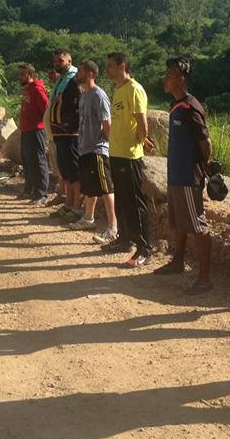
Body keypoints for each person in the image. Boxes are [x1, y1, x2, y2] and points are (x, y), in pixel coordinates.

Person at [153, 57, 213, 294]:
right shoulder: (176, 106)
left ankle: (204, 278)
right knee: (179, 222)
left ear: (181, 79)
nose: (165, 79)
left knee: (197, 224)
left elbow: (205, 143)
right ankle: (177, 262)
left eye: (169, 76)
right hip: (176, 175)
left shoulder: (190, 107)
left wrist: (203, 167)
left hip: (188, 176)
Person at [101, 52, 153, 267]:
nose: (107, 70)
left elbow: (142, 123)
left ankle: (145, 248)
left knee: (135, 203)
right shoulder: (119, 89)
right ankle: (124, 240)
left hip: (130, 156)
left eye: (110, 66)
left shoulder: (134, 89)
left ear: (122, 66)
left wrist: (141, 141)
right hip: (116, 153)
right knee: (122, 201)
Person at [70, 60, 118, 244]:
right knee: (91, 187)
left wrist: (109, 145)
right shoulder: (84, 95)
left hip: (98, 149)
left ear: (91, 73)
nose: (77, 74)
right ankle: (88, 218)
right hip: (85, 149)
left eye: (80, 71)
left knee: (106, 188)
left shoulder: (99, 95)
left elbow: (107, 123)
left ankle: (113, 227)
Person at [49, 49, 82, 221]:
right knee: (65, 171)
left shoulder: (74, 79)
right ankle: (68, 204)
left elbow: (79, 106)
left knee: (74, 171)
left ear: (69, 62)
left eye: (60, 61)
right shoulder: (61, 80)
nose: (57, 64)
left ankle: (76, 207)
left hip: (70, 133)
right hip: (59, 132)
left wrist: (71, 125)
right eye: (55, 61)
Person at [18, 64, 50, 206]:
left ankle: (41, 193)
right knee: (27, 160)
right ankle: (30, 189)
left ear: (30, 75)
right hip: (26, 130)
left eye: (22, 74)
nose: (20, 77)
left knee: (38, 161)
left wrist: (40, 125)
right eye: (19, 74)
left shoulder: (37, 89)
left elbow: (46, 109)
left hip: (36, 130)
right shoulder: (27, 89)